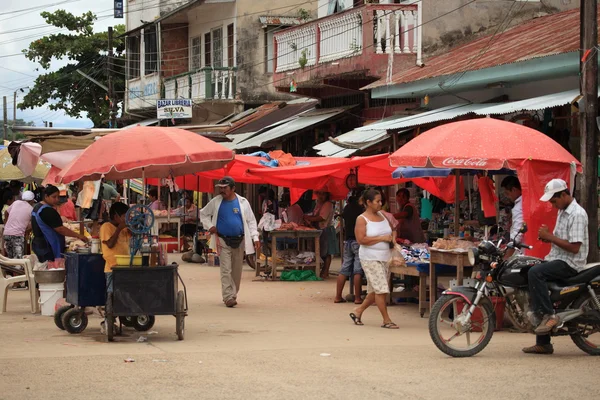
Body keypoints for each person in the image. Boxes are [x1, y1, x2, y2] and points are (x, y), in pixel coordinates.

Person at [522, 179, 589, 355]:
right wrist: (548, 237)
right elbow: (562, 241)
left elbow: (575, 248)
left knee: (536, 273)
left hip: (571, 263)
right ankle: (543, 343)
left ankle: (549, 316)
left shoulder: (577, 214)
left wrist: (549, 237)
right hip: (557, 258)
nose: (552, 205)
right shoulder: (563, 210)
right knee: (529, 269)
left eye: (554, 200)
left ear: (564, 194)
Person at [200, 176, 260, 308]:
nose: (222, 191)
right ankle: (227, 297)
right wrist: (209, 225)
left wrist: (255, 237)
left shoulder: (243, 202)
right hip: (222, 240)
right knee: (226, 270)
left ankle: (233, 294)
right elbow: (203, 214)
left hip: (239, 240)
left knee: (237, 271)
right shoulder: (216, 202)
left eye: (225, 188)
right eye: (220, 188)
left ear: (233, 188)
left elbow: (251, 221)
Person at [349, 188, 399, 329]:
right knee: (382, 289)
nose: (380, 203)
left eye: (381, 201)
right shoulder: (362, 219)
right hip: (370, 258)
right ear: (368, 202)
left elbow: (393, 229)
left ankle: (358, 311)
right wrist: (381, 238)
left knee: (375, 290)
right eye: (377, 201)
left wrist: (393, 239)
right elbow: (361, 239)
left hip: (385, 257)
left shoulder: (383, 216)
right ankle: (386, 320)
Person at [31, 185, 89, 268]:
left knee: (45, 270)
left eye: (58, 197)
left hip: (40, 245)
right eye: (54, 197)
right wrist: (78, 235)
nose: (57, 200)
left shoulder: (37, 207)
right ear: (46, 196)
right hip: (48, 246)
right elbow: (60, 229)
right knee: (52, 271)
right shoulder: (47, 210)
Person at [334, 194, 365, 304]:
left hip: (348, 241)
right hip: (358, 241)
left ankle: (338, 296)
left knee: (344, 268)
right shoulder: (362, 210)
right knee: (357, 270)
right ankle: (357, 298)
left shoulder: (347, 208)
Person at [100, 202, 131, 294]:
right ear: (116, 216)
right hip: (112, 268)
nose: (127, 219)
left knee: (123, 293)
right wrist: (118, 229)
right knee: (113, 293)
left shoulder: (124, 229)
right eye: (125, 216)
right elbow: (110, 244)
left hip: (124, 266)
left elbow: (134, 235)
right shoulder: (106, 227)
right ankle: (111, 308)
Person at [304, 191, 336, 279]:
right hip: (319, 229)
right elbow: (315, 214)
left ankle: (325, 271)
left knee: (327, 252)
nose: (321, 196)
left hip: (326, 229)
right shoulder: (318, 203)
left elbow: (322, 217)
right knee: (321, 251)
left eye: (323, 194)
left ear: (327, 195)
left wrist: (309, 218)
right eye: (319, 194)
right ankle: (320, 270)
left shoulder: (328, 204)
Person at [3, 191, 35, 259]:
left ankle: (10, 269)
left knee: (10, 259)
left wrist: (6, 224)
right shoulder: (31, 209)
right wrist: (27, 231)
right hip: (17, 235)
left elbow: (6, 212)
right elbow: (33, 224)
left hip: (7, 233)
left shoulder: (16, 202)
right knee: (18, 260)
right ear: (31, 200)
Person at [501, 176, 523, 258]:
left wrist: (506, 258)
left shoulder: (518, 208)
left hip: (521, 253)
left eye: (507, 193)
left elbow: (517, 236)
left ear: (514, 190)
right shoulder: (524, 202)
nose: (507, 196)